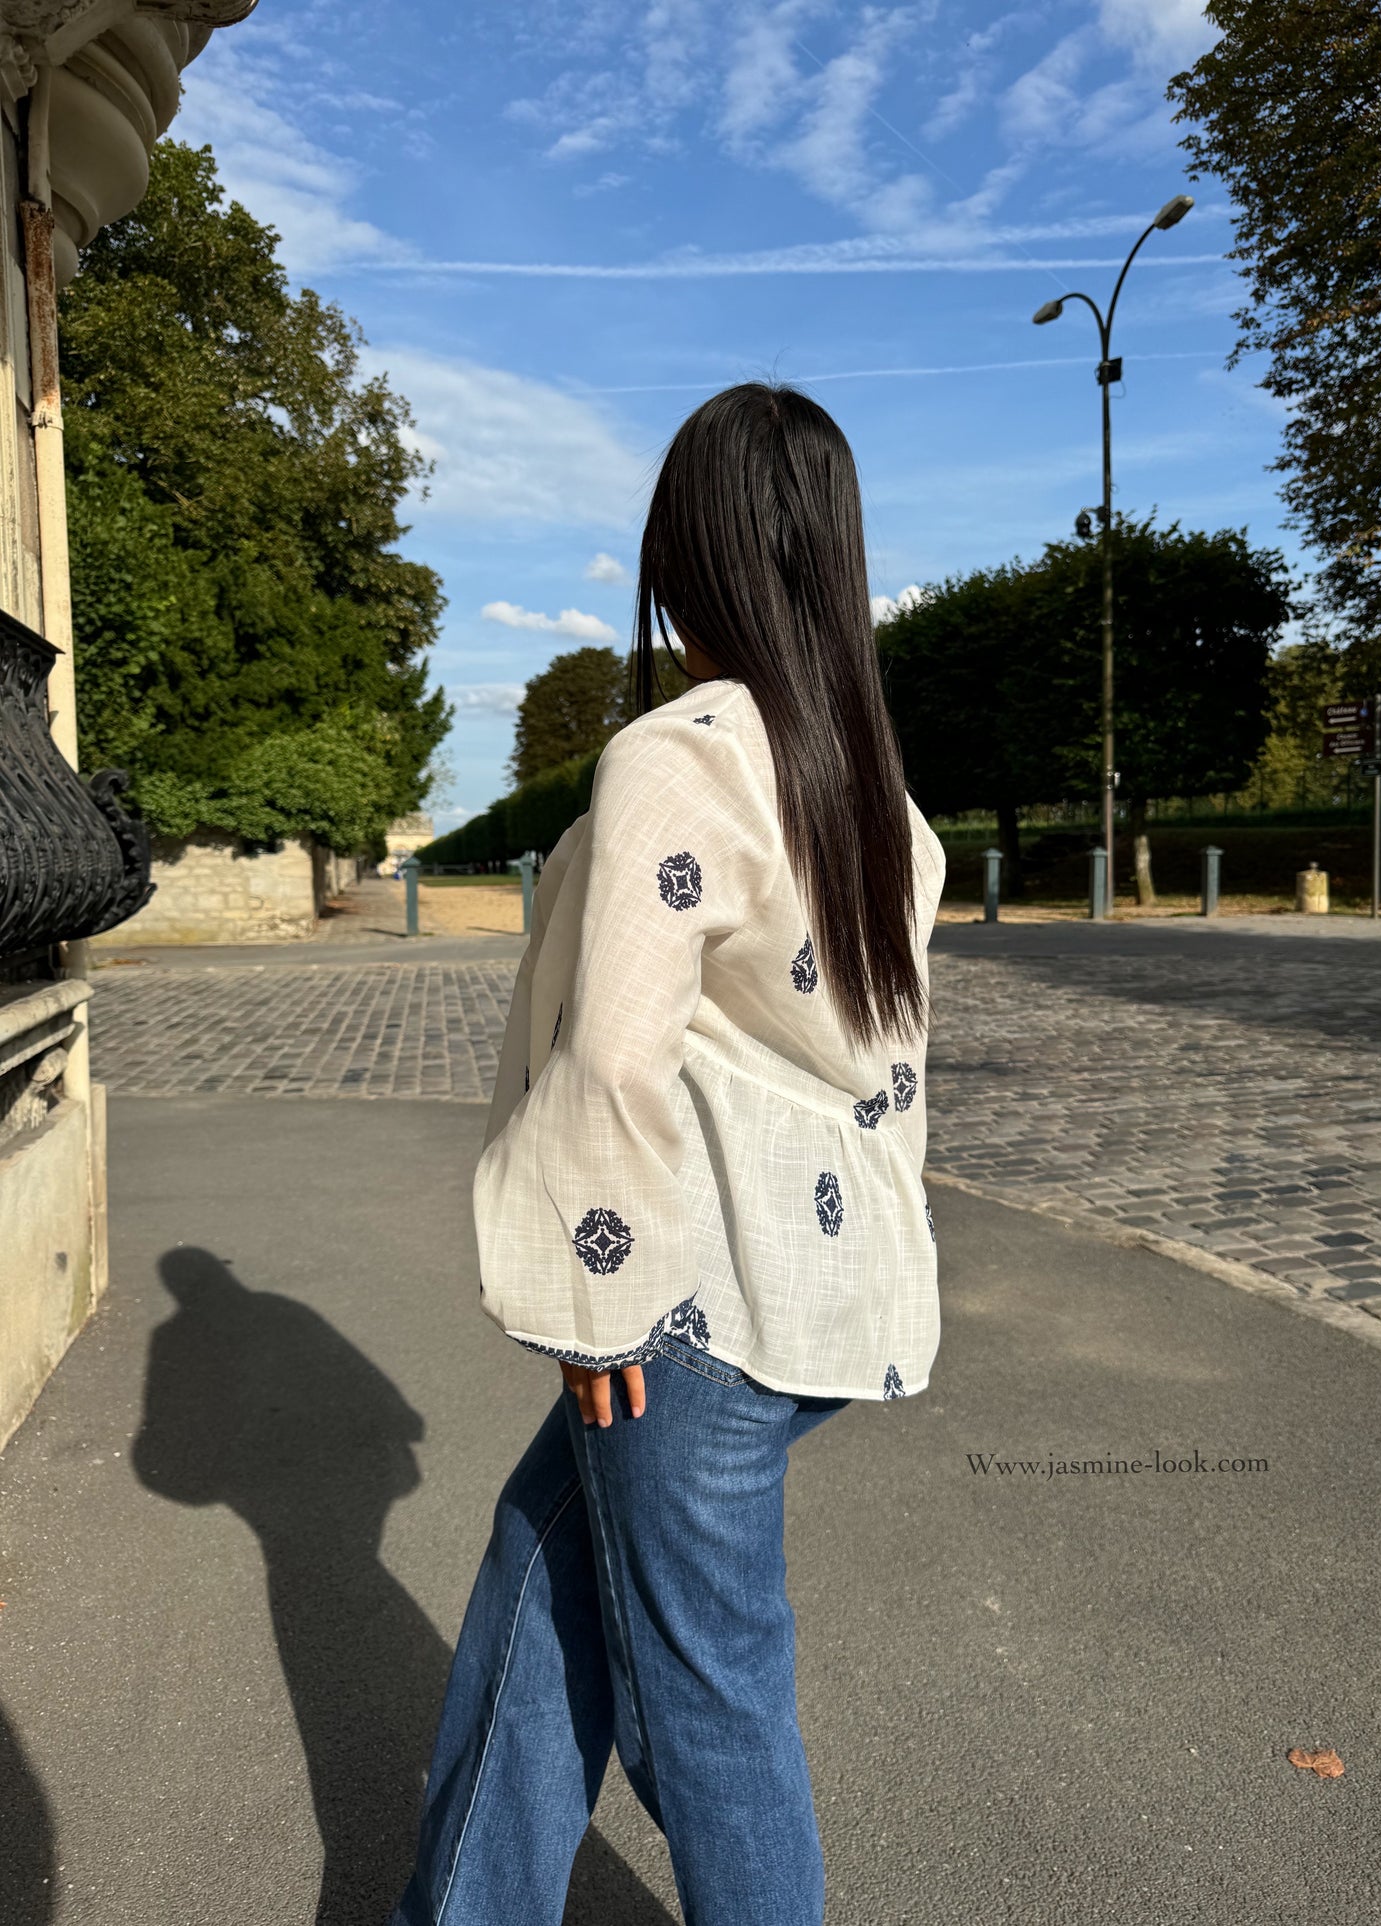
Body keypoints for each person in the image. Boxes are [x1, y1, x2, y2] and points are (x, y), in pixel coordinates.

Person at [388, 382, 946, 1926]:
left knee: (710, 1708)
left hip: (680, 1311)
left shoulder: (677, 758)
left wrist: (593, 1297)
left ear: (683, 553)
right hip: (815, 1301)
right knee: (540, 1582)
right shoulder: (872, 792)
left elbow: (613, 1054)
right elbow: (885, 1076)